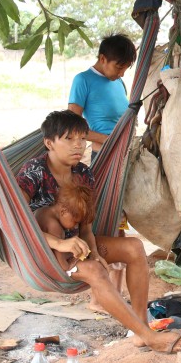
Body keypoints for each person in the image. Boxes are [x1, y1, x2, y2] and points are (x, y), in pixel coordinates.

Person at [16, 110, 181, 354]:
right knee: (97, 272)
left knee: (134, 247)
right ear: (49, 143)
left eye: (82, 139)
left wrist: (93, 251)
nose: (78, 145)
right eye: (69, 139)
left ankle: (141, 329)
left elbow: (86, 226)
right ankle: (150, 337)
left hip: (77, 244)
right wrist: (59, 244)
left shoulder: (83, 173)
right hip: (46, 254)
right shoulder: (32, 172)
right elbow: (16, 222)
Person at [67, 33, 136, 310]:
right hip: (102, 159)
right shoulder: (83, 80)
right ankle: (98, 296)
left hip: (124, 157)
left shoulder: (118, 82)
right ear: (103, 58)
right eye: (118, 66)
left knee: (121, 221)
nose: (121, 72)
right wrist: (107, 141)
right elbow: (72, 124)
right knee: (102, 220)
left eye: (125, 69)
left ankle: (114, 294)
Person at [34, 183, 96, 272]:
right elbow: (63, 266)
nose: (75, 226)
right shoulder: (55, 228)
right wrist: (76, 259)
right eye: (75, 222)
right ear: (64, 212)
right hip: (45, 266)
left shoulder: (42, 211)